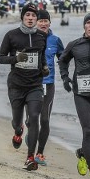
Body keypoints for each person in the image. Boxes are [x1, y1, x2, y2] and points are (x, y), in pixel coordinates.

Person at [58, 12, 90, 179]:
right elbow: (62, 61)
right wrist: (65, 78)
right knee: (87, 130)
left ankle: (82, 152)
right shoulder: (75, 45)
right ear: (84, 26)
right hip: (81, 94)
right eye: (88, 23)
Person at [0, 3, 49, 170]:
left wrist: (45, 67)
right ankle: (18, 131)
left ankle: (30, 157)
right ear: (22, 17)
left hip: (35, 85)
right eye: (27, 15)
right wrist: (16, 59)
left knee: (34, 118)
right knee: (17, 122)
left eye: (33, 16)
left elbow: (41, 58)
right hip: (16, 85)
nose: (30, 18)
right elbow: (1, 58)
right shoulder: (12, 35)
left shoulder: (42, 36)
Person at [31, 9, 64, 166]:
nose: (43, 23)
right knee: (32, 120)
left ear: (50, 23)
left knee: (44, 119)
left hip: (48, 84)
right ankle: (29, 134)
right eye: (40, 21)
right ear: (36, 22)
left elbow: (63, 58)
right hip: (30, 83)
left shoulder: (55, 40)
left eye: (46, 21)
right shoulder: (29, 38)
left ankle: (40, 153)